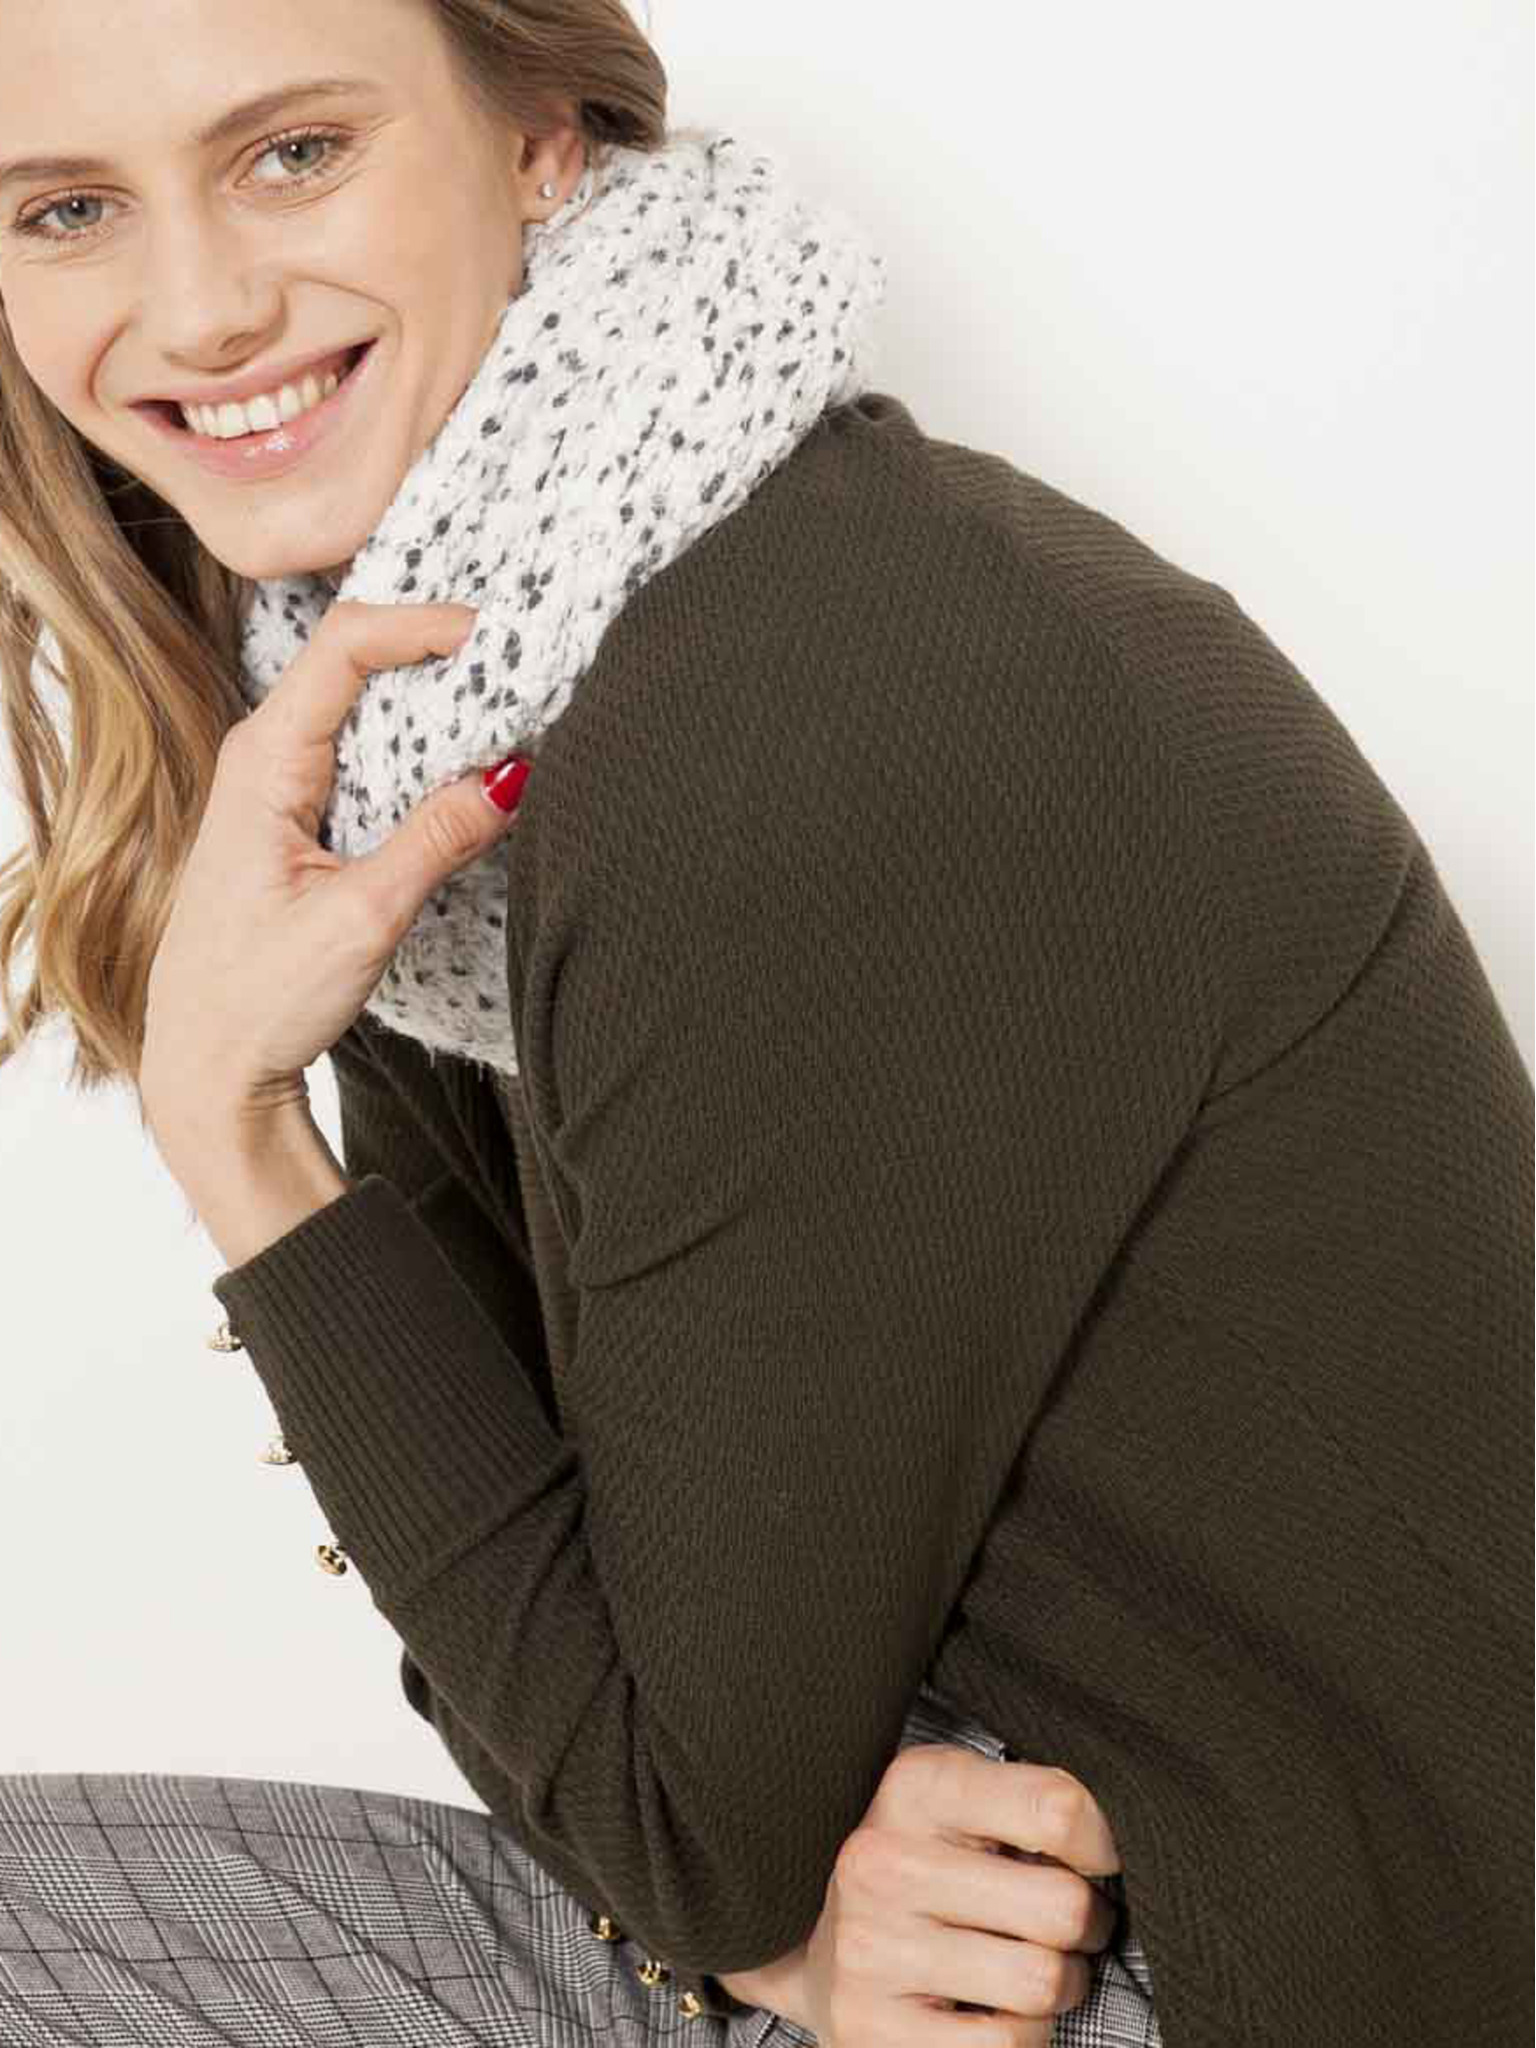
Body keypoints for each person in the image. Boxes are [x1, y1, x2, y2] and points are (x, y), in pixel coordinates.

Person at [0, 7, 1528, 2048]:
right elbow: (552, 1656)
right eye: (68, 210)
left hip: (1222, 1975)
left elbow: (670, 1820)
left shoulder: (796, 711)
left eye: (295, 155)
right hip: (972, 1911)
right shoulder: (447, 729)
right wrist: (770, 1926)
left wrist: (232, 1128)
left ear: (542, 139)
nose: (198, 308)